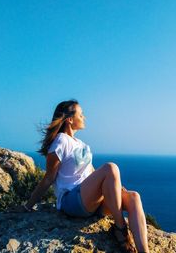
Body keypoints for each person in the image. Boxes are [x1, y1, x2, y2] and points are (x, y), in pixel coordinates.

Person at [21, 99, 149, 253]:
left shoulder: (81, 144)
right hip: (71, 201)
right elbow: (49, 177)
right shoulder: (61, 141)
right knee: (110, 167)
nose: (84, 117)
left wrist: (116, 187)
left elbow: (93, 174)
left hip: (91, 201)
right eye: (81, 115)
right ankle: (120, 229)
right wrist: (27, 206)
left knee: (134, 196)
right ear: (69, 119)